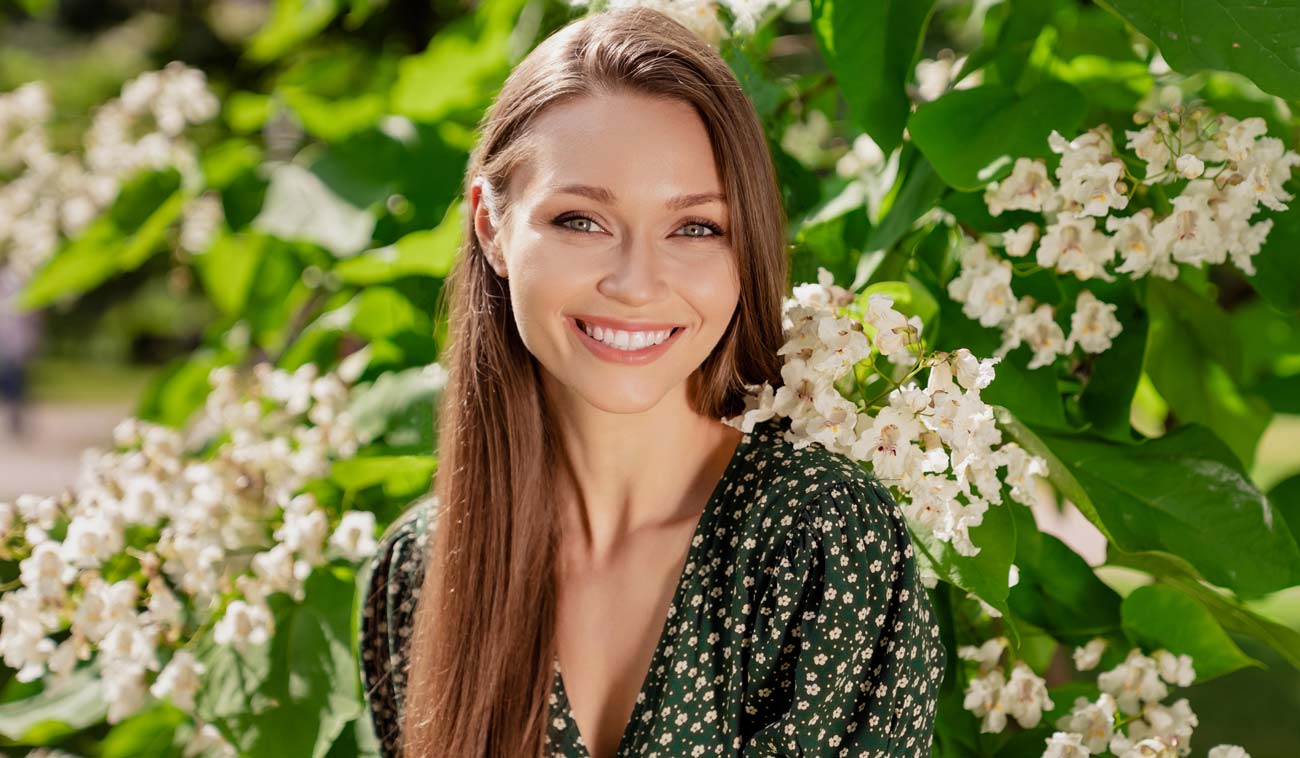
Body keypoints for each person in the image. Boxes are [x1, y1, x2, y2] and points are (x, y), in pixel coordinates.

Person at [357, 7, 945, 757]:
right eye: (580, 221)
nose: (637, 285)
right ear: (490, 227)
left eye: (695, 227)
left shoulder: (820, 542)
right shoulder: (419, 573)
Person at [0, 267, 41, 438]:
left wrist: (31, 342)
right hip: (5, 343)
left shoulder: (23, 286)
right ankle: (15, 418)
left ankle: (16, 420)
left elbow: (32, 319)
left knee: (16, 382)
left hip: (16, 345)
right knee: (12, 382)